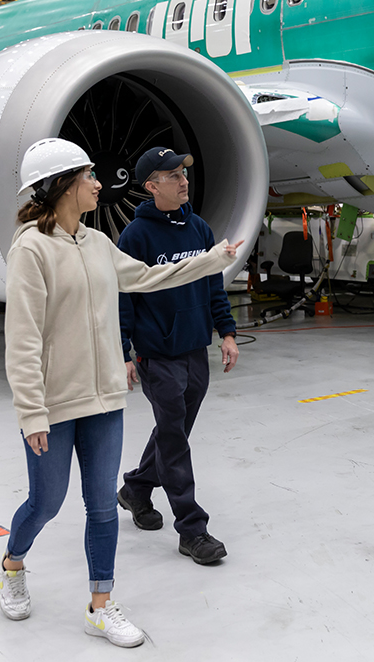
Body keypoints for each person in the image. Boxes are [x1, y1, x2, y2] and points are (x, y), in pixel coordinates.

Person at [0, 138, 242, 648]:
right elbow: (22, 340)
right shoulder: (31, 249)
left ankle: (100, 605)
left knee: (103, 508)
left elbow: (149, 279)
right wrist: (32, 412)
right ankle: (13, 563)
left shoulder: (97, 242)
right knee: (46, 503)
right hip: (55, 404)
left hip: (104, 398)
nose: (98, 183)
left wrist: (213, 259)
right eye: (89, 175)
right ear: (63, 184)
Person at [116, 147, 239, 566]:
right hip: (157, 354)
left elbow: (212, 286)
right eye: (172, 175)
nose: (184, 180)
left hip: (193, 350)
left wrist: (227, 331)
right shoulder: (136, 237)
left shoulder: (199, 228)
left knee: (175, 432)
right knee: (174, 440)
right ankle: (192, 529)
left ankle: (135, 488)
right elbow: (124, 297)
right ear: (151, 187)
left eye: (183, 173)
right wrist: (125, 351)